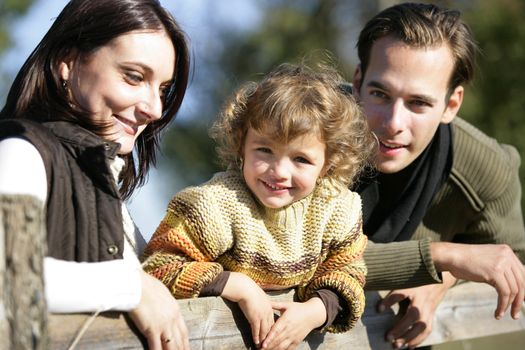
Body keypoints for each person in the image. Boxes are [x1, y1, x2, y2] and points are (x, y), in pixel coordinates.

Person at [142, 63, 375, 349]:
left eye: (300, 159)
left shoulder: (337, 209)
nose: (279, 171)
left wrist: (316, 311)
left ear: (328, 164)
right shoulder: (213, 206)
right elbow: (158, 269)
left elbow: (348, 272)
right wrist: (238, 287)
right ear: (242, 145)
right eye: (265, 150)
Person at [0, 0, 191, 349]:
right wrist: (131, 287)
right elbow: (10, 278)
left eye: (163, 89)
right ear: (68, 63)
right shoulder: (22, 153)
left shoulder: (104, 185)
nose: (155, 109)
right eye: (134, 77)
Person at [350, 3, 525, 349]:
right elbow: (303, 253)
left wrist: (443, 280)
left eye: (418, 103)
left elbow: (512, 258)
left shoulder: (486, 170)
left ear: (451, 105)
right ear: (357, 82)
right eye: (380, 94)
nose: (393, 123)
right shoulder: (303, 134)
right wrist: (444, 258)